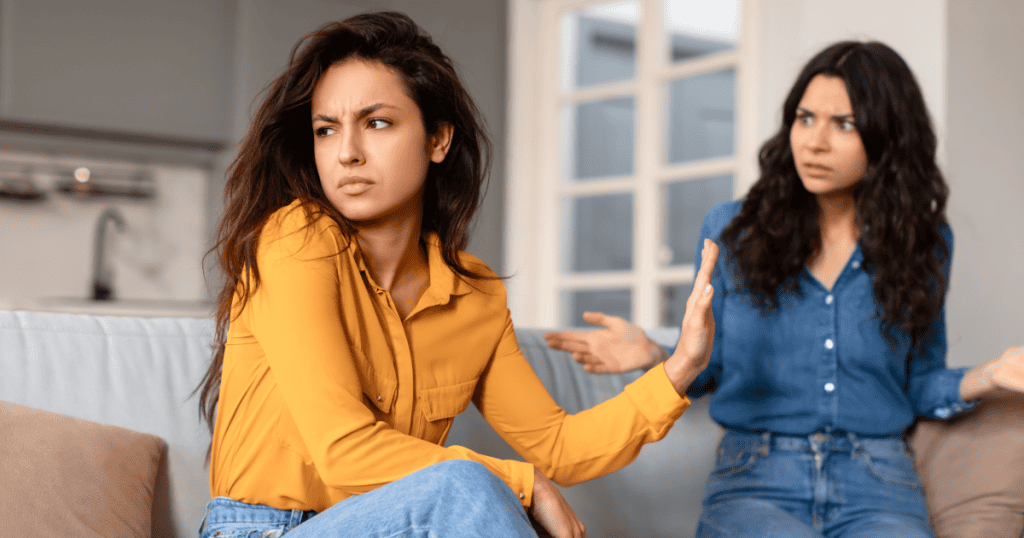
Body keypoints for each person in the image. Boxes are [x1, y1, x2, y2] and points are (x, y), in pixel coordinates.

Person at [194, 11, 721, 538]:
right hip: (263, 530)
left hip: (404, 524)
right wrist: (521, 482)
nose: (347, 153)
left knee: (465, 487)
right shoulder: (295, 239)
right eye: (326, 130)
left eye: (376, 123)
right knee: (463, 486)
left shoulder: (473, 294)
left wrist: (681, 367)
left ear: (438, 140)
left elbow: (559, 446)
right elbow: (342, 449)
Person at [545, 41, 1024, 538]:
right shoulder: (734, 230)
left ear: (887, 139)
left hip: (879, 481)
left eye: (844, 124)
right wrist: (655, 353)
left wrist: (991, 374)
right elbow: (715, 369)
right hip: (755, 479)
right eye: (804, 117)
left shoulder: (923, 242)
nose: (814, 142)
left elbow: (916, 382)